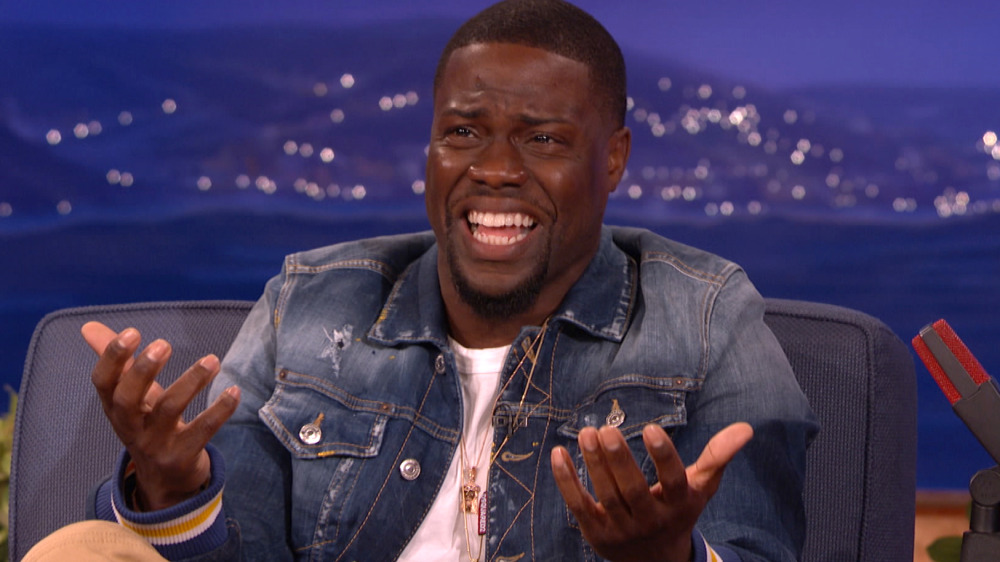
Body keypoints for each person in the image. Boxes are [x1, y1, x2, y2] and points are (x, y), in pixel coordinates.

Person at [63, 0, 817, 560]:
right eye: (463, 132)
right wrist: (173, 488)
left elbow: (754, 548)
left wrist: (667, 559)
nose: (494, 169)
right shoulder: (309, 301)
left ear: (613, 158)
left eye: (542, 139)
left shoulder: (705, 317)